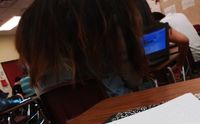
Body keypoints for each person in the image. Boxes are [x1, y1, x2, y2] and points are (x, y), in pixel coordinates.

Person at [15, 0, 148, 97]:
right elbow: (132, 77)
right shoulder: (103, 7)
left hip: (66, 123)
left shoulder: (30, 22)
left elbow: (39, 88)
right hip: (118, 110)